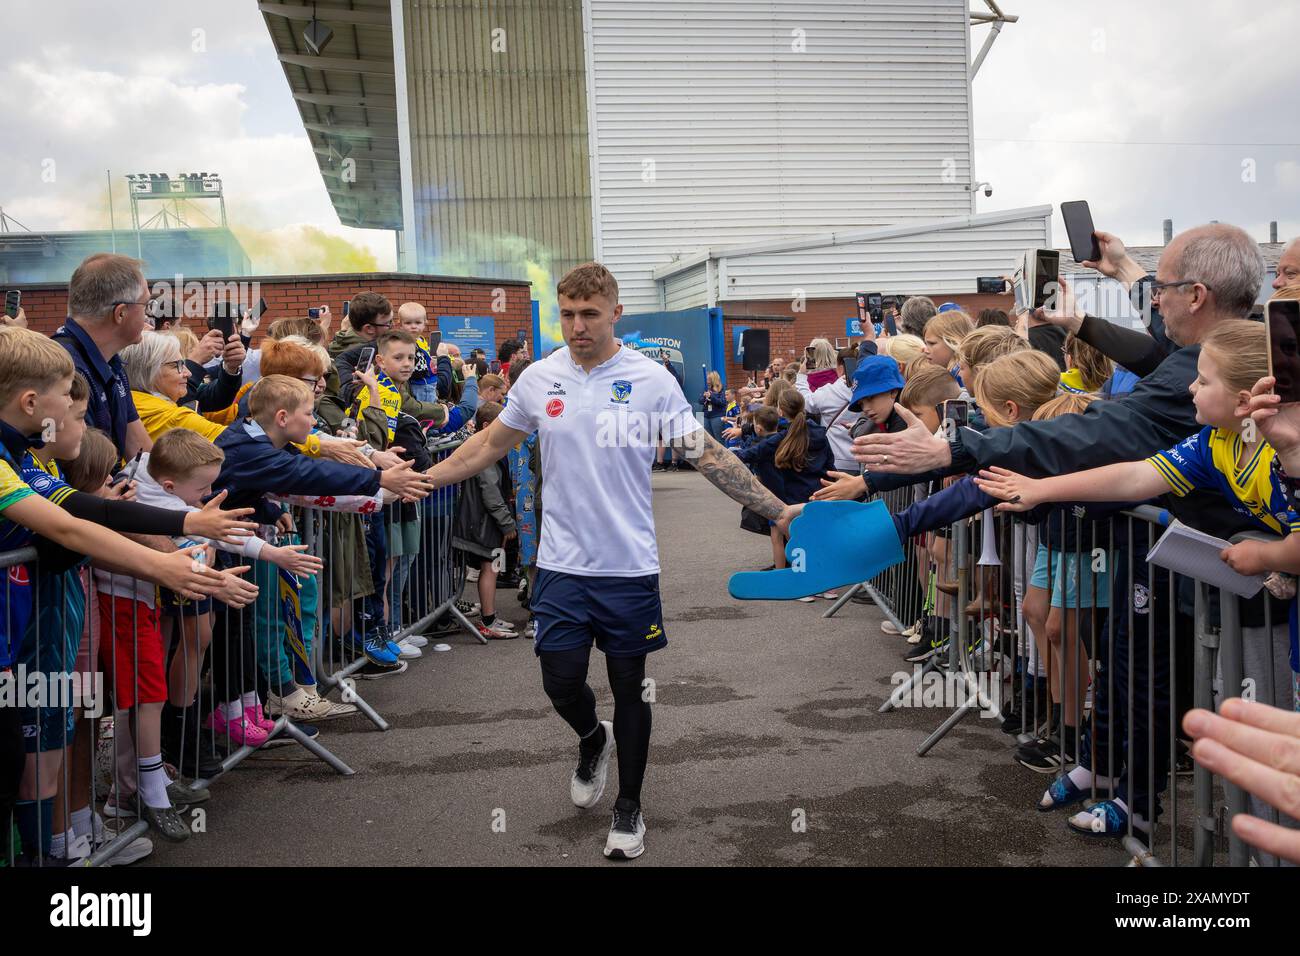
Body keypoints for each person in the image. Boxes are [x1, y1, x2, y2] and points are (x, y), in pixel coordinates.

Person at [424, 262, 797, 860]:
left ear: (614, 313)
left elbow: (704, 453)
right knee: (561, 680)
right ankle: (590, 738)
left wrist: (776, 508)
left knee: (631, 689)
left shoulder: (650, 380)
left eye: (589, 314)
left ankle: (629, 808)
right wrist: (423, 480)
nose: (577, 326)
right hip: (561, 567)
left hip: (628, 568)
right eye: (567, 314)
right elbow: (490, 443)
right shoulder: (540, 377)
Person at [52, 254, 157, 459]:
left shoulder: (111, 363)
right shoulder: (64, 371)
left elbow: (141, 452)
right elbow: (81, 474)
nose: (148, 316)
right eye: (146, 305)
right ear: (121, 314)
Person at [701, 371, 727, 441]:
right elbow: (700, 401)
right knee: (709, 441)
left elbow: (723, 402)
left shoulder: (722, 388)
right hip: (706, 416)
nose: (707, 381)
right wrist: (704, 397)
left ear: (713, 379)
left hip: (717, 416)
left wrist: (711, 396)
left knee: (719, 440)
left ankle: (721, 452)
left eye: (708, 379)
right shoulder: (706, 388)